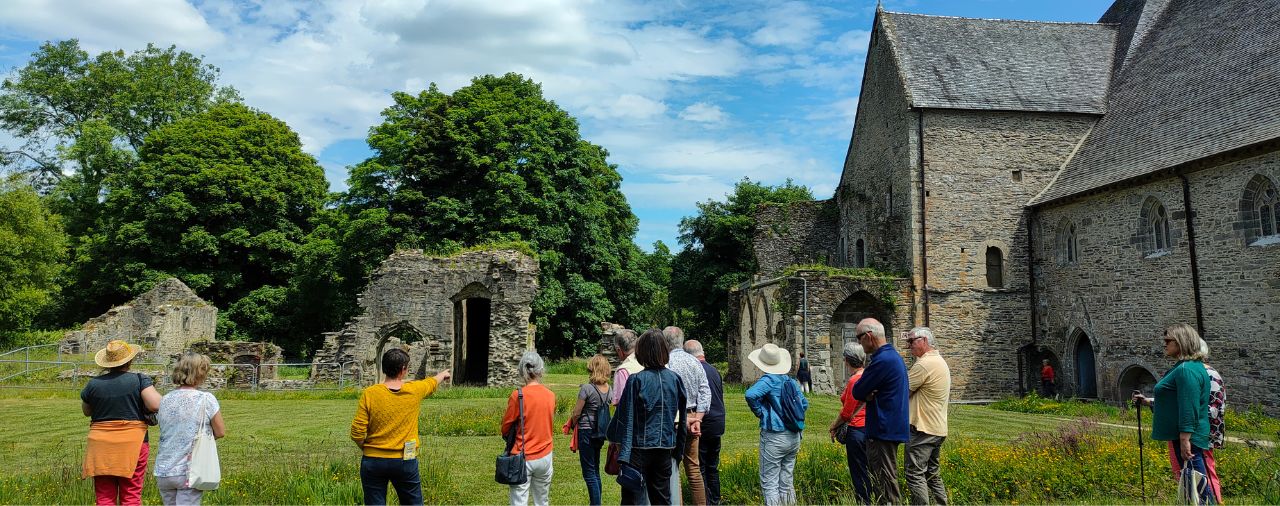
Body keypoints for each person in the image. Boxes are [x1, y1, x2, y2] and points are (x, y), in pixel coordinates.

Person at [350, 348, 451, 505]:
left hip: (373, 461)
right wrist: (442, 375)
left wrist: (368, 449)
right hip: (405, 459)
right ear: (404, 369)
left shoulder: (370, 393)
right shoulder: (414, 390)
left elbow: (357, 432)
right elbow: (430, 383)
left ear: (384, 367)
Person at [1133, 323, 1214, 505]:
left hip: (1188, 437)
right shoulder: (1190, 367)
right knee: (1195, 485)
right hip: (1188, 435)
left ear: (1181, 342)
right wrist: (1147, 401)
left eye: (1168, 340)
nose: (1165, 344)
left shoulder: (1186, 370)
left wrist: (1185, 439)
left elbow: (1189, 406)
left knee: (1197, 488)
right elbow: (1177, 400)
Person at [609, 329, 688, 506]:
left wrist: (615, 440)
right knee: (662, 499)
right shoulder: (675, 379)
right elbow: (682, 418)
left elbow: (624, 416)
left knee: (632, 500)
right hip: (665, 446)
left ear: (641, 351)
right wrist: (679, 446)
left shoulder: (636, 380)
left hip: (638, 449)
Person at [81, 339, 161, 506]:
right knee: (131, 494)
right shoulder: (139, 380)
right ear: (130, 360)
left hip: (100, 444)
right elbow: (155, 404)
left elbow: (87, 411)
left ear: (107, 363)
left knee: (104, 496)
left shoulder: (94, 384)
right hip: (133, 443)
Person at [851, 318, 909, 505]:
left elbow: (858, 391)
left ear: (869, 336)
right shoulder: (892, 356)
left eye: (859, 338)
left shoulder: (882, 361)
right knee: (885, 479)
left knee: (885, 483)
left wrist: (867, 394)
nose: (859, 343)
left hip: (882, 430)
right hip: (891, 427)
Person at [155, 353, 226, 505]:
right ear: (200, 373)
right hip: (189, 469)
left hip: (164, 468)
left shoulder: (165, 399)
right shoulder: (206, 399)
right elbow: (220, 431)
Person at [745, 343, 809, 506]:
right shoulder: (791, 381)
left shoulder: (769, 380)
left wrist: (761, 412)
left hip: (775, 436)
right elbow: (804, 404)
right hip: (794, 436)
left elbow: (751, 395)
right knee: (786, 482)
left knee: (770, 483)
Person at [1166, 339, 1225, 504]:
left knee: (1203, 472)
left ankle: (1213, 502)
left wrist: (1189, 420)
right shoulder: (1186, 371)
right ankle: (1192, 501)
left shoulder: (1209, 374)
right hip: (1183, 428)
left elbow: (1213, 407)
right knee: (1184, 472)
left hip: (1199, 433)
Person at [662, 326, 710, 505]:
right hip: (693, 415)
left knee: (673, 468)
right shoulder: (694, 361)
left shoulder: (666, 362)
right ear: (681, 341)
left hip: (673, 418)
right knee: (694, 469)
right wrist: (698, 418)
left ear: (665, 342)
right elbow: (705, 391)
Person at [502, 351, 557, 506]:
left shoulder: (517, 396)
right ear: (541, 370)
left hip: (522, 455)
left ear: (522, 370)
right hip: (545, 454)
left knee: (519, 500)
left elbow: (505, 427)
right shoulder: (550, 395)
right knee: (542, 500)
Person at [903, 328, 950, 505]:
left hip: (922, 428)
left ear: (923, 340)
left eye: (911, 341)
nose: (909, 346)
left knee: (914, 473)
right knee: (931, 473)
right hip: (937, 427)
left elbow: (902, 393)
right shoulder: (939, 361)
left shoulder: (924, 364)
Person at [563, 355, 612, 506]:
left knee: (589, 473)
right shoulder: (609, 389)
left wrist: (571, 424)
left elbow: (577, 412)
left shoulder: (587, 389)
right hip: (600, 431)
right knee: (595, 470)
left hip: (586, 431)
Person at [609, 328, 648, 505]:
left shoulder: (623, 370)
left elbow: (620, 407)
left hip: (631, 436)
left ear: (619, 350)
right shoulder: (648, 363)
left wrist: (616, 441)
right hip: (653, 432)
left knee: (631, 485)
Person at [684, 339, 725, 505]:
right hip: (717, 422)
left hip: (703, 422)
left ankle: (704, 501)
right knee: (712, 466)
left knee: (699, 466)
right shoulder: (714, 370)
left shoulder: (695, 369)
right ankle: (715, 500)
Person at [829, 342, 870, 504]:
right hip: (870, 427)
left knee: (859, 471)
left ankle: (863, 501)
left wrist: (833, 426)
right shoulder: (868, 375)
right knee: (868, 469)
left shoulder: (855, 380)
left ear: (846, 360)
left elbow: (847, 413)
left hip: (857, 429)